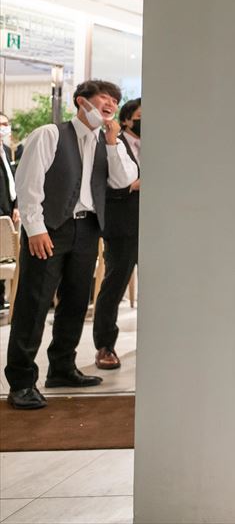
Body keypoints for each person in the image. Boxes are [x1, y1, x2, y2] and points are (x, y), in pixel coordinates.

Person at [5, 80, 138, 410]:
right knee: (34, 303)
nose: (111, 104)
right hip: (51, 228)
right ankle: (21, 381)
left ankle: (62, 368)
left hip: (89, 228)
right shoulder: (50, 134)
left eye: (115, 100)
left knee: (76, 302)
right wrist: (35, 228)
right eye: (104, 98)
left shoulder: (108, 142)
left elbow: (123, 180)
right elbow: (29, 184)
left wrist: (112, 142)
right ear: (82, 102)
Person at [93, 98, 142, 370]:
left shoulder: (160, 145)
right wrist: (130, 187)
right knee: (114, 286)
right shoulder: (111, 143)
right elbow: (101, 184)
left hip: (157, 227)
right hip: (123, 226)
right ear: (126, 120)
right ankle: (105, 345)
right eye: (140, 117)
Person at [0, 112, 17, 311]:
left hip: (9, 209)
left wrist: (16, 205)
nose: (4, 128)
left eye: (6, 124)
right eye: (1, 124)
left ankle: (3, 298)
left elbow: (12, 180)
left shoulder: (5, 150)